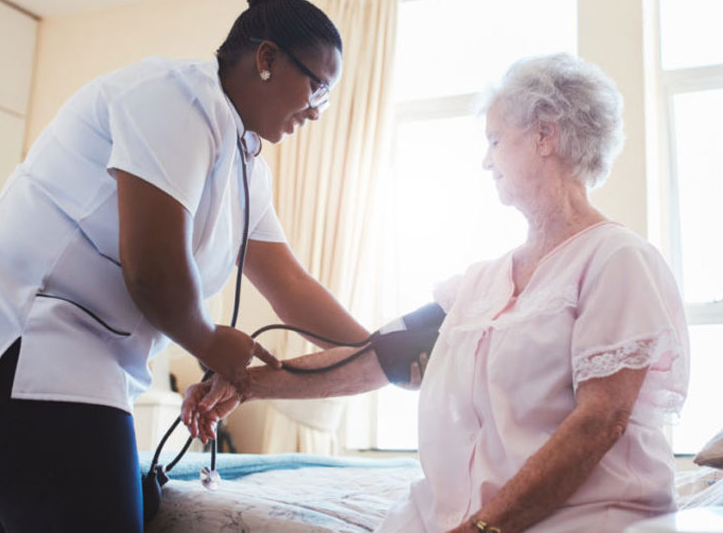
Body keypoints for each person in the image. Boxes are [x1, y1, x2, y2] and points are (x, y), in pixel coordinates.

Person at [0, 0, 373, 533]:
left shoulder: (244, 161)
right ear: (266, 59)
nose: (316, 111)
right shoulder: (174, 99)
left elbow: (290, 286)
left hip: (75, 365)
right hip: (11, 353)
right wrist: (210, 342)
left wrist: (378, 351)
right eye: (318, 87)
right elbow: (152, 271)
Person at [183, 53, 690, 533]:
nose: (485, 162)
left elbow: (600, 422)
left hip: (580, 520)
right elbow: (373, 358)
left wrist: (485, 527)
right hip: (459, 518)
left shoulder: (617, 259)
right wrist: (244, 385)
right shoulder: (479, 283)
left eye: (494, 140)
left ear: (544, 135)